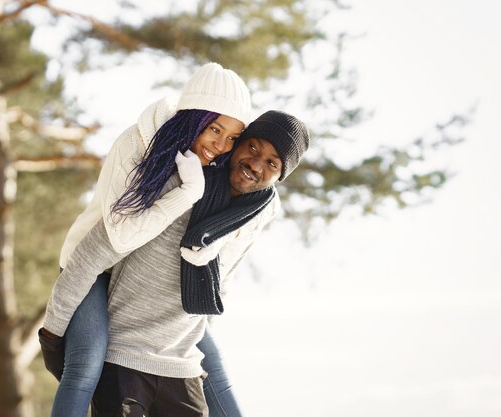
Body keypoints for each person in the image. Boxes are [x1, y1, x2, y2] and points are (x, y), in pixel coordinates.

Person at [43, 110, 311, 416]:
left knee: (219, 378)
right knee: (82, 369)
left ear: (279, 176)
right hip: (125, 358)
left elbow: (222, 285)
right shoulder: (179, 185)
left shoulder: (257, 212)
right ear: (237, 145)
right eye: (252, 147)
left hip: (181, 364)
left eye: (272, 163)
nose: (256, 163)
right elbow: (93, 254)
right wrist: (52, 333)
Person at [40, 63, 252, 417]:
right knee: (87, 364)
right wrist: (188, 193)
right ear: (193, 117)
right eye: (215, 128)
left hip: (141, 288)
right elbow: (119, 237)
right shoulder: (137, 145)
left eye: (232, 137)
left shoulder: (207, 166)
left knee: (212, 368)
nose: (221, 144)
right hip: (95, 268)